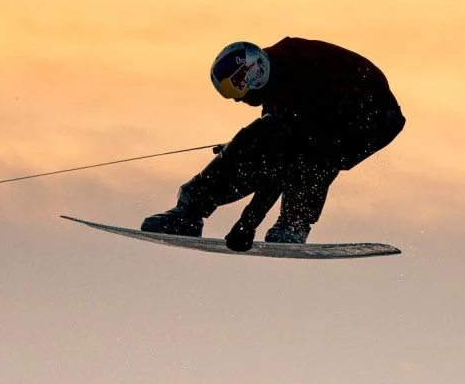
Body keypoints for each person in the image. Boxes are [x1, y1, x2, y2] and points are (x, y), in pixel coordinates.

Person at [142, 38, 404, 248]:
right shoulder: (277, 76)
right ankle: (189, 212)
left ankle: (294, 224)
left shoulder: (300, 81)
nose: (237, 99)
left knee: (311, 153)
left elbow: (284, 162)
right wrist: (239, 155)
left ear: (253, 74)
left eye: (237, 90)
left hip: (372, 119)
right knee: (258, 145)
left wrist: (247, 224)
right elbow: (267, 148)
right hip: (335, 114)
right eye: (230, 93)